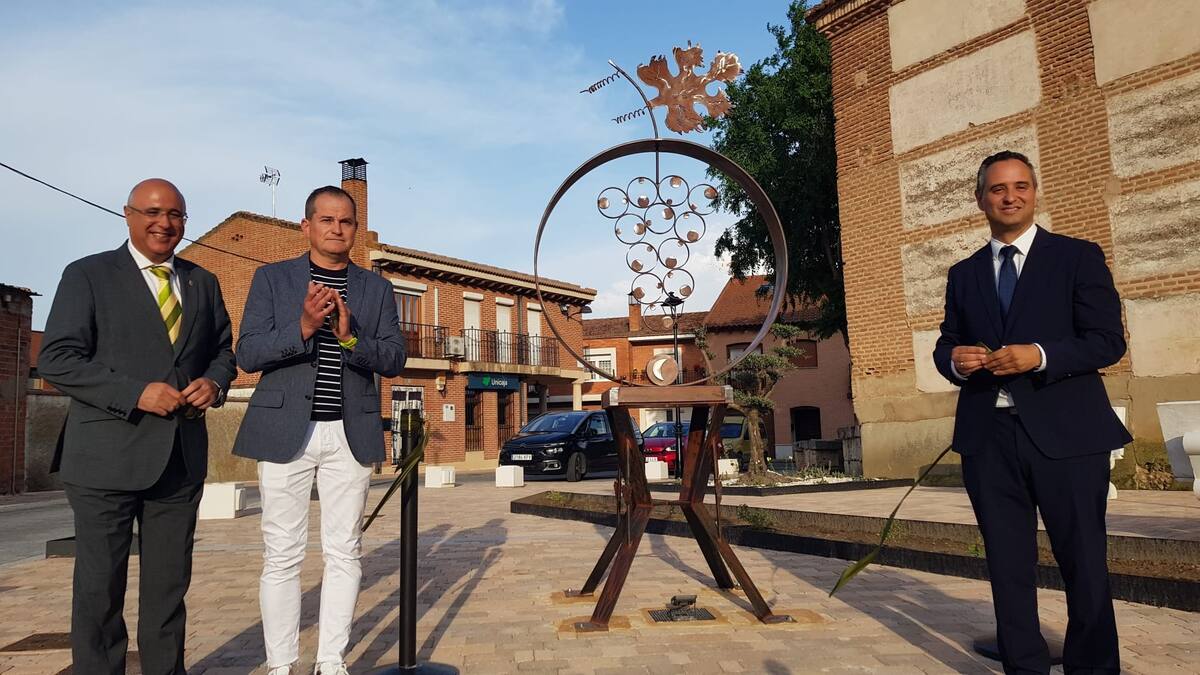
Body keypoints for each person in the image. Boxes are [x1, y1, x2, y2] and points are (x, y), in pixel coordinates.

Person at [934, 151, 1129, 674]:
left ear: (1035, 193)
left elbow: (1108, 342)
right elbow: (946, 342)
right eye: (998, 188)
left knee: (1084, 561)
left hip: (1068, 435)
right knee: (1007, 564)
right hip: (988, 436)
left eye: (1021, 186)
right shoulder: (964, 274)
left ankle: (1092, 666)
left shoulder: (1076, 257)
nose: (1010, 196)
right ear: (981, 200)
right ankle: (1024, 664)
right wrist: (954, 360)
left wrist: (1039, 355)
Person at [39, 178, 236, 675]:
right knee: (99, 591)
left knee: (168, 592)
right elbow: (58, 359)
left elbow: (223, 352)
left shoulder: (202, 281)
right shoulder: (88, 275)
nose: (163, 223)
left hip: (180, 461)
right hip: (104, 459)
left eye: (175, 214)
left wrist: (213, 384)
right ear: (127, 215)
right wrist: (135, 393)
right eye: (151, 212)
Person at [233, 185, 406, 675]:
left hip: (348, 434)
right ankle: (281, 664)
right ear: (305, 226)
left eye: (346, 221)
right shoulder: (272, 280)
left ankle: (331, 663)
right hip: (285, 429)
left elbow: (394, 358)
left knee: (344, 550)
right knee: (282, 552)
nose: (336, 228)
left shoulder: (376, 289)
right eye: (326, 220)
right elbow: (248, 354)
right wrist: (305, 327)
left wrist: (351, 337)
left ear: (355, 228)